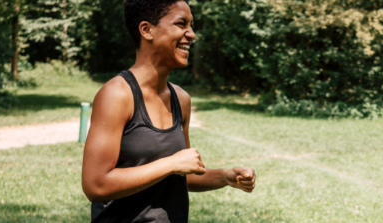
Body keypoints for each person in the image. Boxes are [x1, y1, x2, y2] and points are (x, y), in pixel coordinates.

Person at [80, 0, 255, 222]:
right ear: (147, 30)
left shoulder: (181, 99)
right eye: (181, 24)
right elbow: (95, 185)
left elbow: (182, 176)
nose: (191, 34)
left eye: (191, 25)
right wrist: (170, 163)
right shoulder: (116, 95)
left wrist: (225, 176)